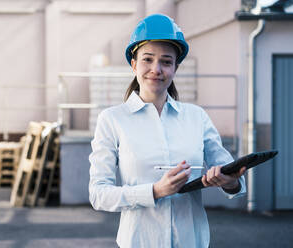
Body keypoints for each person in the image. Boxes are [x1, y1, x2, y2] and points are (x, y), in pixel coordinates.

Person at [89, 13, 246, 248]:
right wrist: (154, 191)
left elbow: (234, 181)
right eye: (148, 59)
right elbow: (98, 194)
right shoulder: (112, 120)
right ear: (133, 64)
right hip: (139, 242)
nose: (156, 69)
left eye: (166, 61)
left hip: (191, 242)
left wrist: (229, 181)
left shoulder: (196, 117)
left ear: (175, 68)